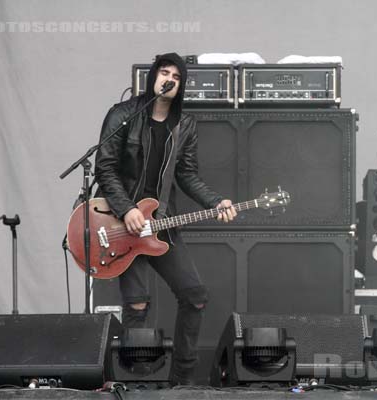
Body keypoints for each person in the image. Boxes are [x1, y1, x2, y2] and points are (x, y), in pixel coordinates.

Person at [94, 52, 237, 385]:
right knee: (137, 304)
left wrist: (217, 201)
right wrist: (126, 208)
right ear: (153, 77)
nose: (168, 78)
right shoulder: (123, 114)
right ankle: (137, 382)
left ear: (181, 84)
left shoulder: (184, 124)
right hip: (122, 224)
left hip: (160, 225)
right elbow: (105, 167)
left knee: (195, 296)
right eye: (163, 72)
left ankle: (181, 382)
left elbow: (187, 174)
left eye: (175, 74)